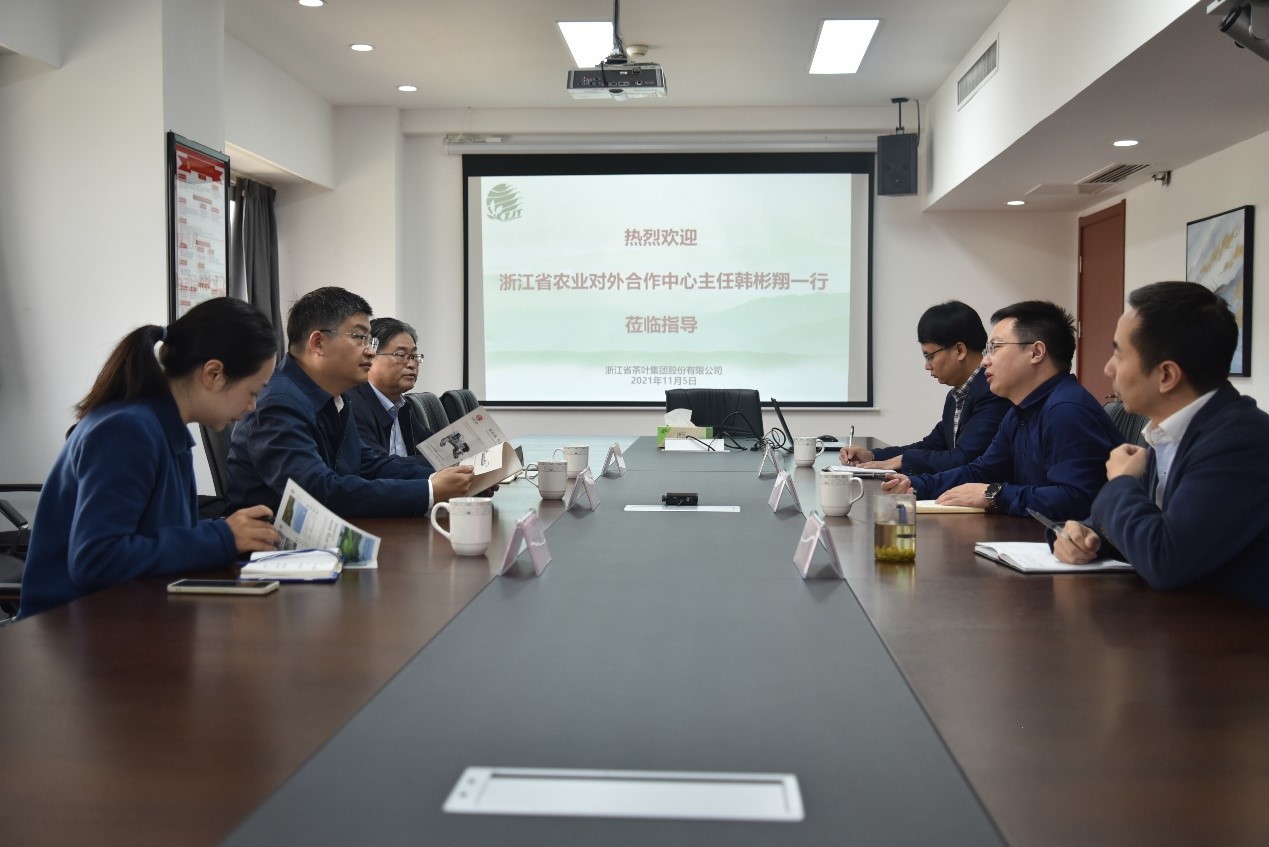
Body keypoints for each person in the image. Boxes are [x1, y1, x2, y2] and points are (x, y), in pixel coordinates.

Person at [19, 298, 281, 618]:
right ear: (214, 374)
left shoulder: (163, 429)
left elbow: (155, 533)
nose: (252, 406)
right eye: (253, 392)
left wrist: (234, 532)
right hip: (68, 628)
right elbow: (96, 559)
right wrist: (222, 538)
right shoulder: (127, 430)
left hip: (125, 614)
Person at [1054, 282, 1269, 608]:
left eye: (1119, 354)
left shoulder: (1240, 440)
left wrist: (1122, 481)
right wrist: (1081, 535)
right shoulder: (1171, 428)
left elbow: (1164, 559)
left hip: (1236, 630)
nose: (1108, 368)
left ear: (1166, 375)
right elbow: (1138, 524)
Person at [227, 287, 472, 518]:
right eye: (359, 338)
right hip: (274, 543)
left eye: (370, 341)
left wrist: (449, 478)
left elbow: (368, 464)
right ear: (318, 343)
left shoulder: (336, 397)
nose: (370, 351)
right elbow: (316, 492)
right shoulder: (279, 403)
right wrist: (428, 491)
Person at [881, 300, 1123, 520]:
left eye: (995, 348)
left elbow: (1078, 500)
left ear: (1036, 352)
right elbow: (981, 471)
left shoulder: (1066, 410)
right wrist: (916, 484)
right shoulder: (1020, 411)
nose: (985, 360)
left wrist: (995, 494)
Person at [840, 300, 1009, 473]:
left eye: (929, 356)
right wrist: (873, 456)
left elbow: (964, 459)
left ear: (959, 350)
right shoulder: (955, 396)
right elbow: (931, 445)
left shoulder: (992, 392)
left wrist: (904, 460)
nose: (927, 366)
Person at [350, 317, 431, 462]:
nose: (412, 364)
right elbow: (377, 466)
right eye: (401, 355)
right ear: (370, 356)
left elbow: (432, 447)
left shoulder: (402, 405)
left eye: (414, 356)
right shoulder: (353, 406)